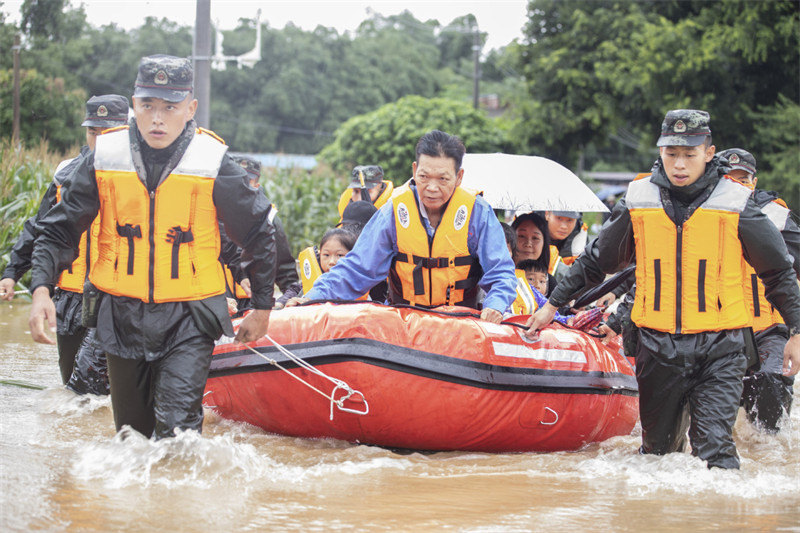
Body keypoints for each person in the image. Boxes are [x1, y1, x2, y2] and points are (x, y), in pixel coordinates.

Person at [525, 109, 800, 469]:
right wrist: (552, 305)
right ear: (661, 152)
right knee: (658, 457)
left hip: (721, 346)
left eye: (689, 154)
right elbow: (596, 261)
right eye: (672, 154)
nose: (679, 164)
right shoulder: (639, 200)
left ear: (708, 153)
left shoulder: (737, 203)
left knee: (715, 450)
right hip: (656, 346)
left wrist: (796, 330)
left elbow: (778, 272)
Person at [28, 55, 277, 440]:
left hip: (190, 314)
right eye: (148, 106)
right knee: (132, 437)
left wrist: (261, 306)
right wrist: (41, 288)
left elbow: (259, 230)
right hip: (120, 311)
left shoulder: (212, 161)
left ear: (190, 109)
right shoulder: (105, 156)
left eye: (170, 107)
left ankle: (179, 475)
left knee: (177, 431)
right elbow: (60, 227)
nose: (157, 119)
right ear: (134, 105)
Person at [290, 130, 517, 323]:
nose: (432, 187)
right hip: (405, 325)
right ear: (414, 170)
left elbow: (501, 272)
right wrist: (313, 297)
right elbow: (357, 269)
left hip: (460, 325)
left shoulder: (478, 212)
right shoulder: (393, 211)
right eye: (424, 176)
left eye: (443, 179)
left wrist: (495, 306)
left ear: (459, 177)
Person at [1, 94, 128, 388]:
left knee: (87, 383)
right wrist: (12, 273)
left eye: (107, 133)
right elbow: (42, 227)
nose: (99, 141)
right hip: (71, 296)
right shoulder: (66, 173)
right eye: (93, 132)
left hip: (116, 297)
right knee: (72, 385)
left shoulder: (141, 176)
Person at [718, 147, 800, 431]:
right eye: (729, 179)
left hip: (769, 328)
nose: (736, 185)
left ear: (754, 182)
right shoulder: (702, 214)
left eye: (743, 179)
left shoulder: (776, 216)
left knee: (770, 384)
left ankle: (768, 448)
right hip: (722, 330)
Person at [278, 228, 359, 307]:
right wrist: (281, 302)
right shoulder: (317, 278)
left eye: (340, 255)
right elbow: (295, 290)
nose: (331, 262)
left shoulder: (359, 282)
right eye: (326, 255)